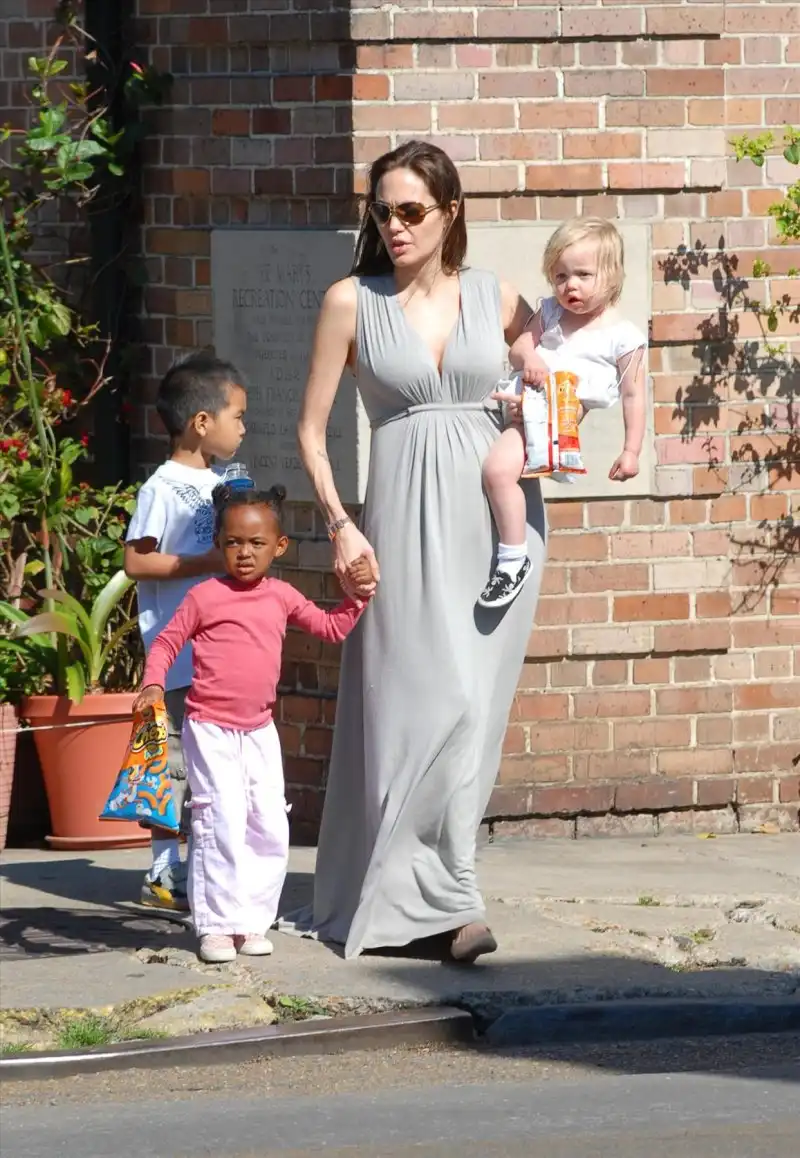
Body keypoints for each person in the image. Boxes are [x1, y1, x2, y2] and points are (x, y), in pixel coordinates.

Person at [277, 140, 546, 964]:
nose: (394, 226)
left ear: (449, 213)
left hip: (498, 526)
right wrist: (341, 524)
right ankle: (431, 901)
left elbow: (556, 361)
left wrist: (548, 387)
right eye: (382, 211)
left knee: (475, 713)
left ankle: (450, 897)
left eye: (411, 211)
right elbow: (311, 431)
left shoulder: (497, 296)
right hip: (398, 519)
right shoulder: (351, 302)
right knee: (422, 704)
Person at [133, 484, 371, 963]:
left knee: (267, 824)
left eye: (257, 543)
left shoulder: (281, 595)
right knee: (219, 821)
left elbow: (332, 628)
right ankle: (217, 927)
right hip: (209, 729)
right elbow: (165, 642)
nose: (244, 553)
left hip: (260, 731)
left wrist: (359, 594)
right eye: (234, 542)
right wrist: (154, 683)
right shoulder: (204, 596)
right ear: (219, 545)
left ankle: (251, 922)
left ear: (278, 547)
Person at [124, 353, 247, 913]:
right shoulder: (163, 487)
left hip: (218, 652)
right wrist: (205, 563)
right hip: (177, 655)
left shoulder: (222, 482)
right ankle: (161, 873)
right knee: (172, 762)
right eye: (237, 416)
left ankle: (203, 871)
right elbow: (136, 561)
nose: (243, 428)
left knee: (210, 766)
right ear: (202, 421)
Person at [479, 217, 647, 608]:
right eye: (560, 276)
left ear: (612, 275)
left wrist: (631, 450)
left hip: (552, 417)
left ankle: (512, 560)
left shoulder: (623, 337)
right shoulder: (551, 313)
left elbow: (634, 395)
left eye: (583, 275)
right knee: (486, 471)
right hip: (516, 399)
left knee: (497, 471)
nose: (570, 285)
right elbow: (518, 347)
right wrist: (530, 357)